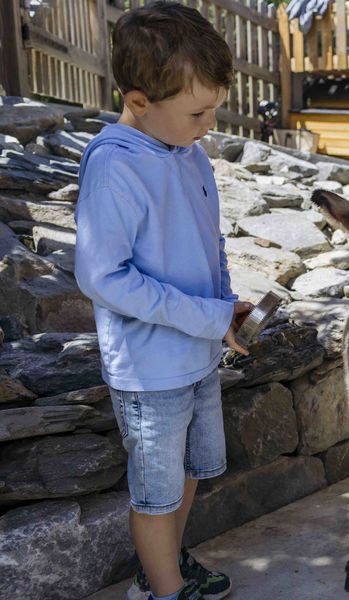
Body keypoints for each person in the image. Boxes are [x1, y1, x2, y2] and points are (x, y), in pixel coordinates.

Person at [74, 3, 252, 599]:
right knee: (156, 495)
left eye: (213, 109)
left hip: (198, 355)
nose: (209, 125)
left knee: (192, 472)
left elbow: (207, 242)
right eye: (197, 113)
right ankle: (164, 593)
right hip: (150, 372)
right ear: (140, 100)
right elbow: (103, 276)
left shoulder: (189, 153)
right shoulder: (115, 168)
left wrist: (225, 306)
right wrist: (206, 316)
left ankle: (165, 569)